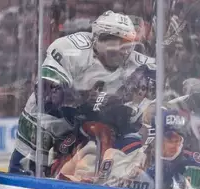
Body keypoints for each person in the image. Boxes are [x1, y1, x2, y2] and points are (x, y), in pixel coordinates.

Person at [9, 10, 156, 176]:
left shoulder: (135, 61)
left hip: (85, 126)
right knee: (24, 174)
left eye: (128, 43)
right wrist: (89, 100)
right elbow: (47, 96)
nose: (124, 51)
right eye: (118, 42)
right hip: (46, 123)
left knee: (76, 174)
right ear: (98, 38)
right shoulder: (68, 48)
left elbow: (160, 79)